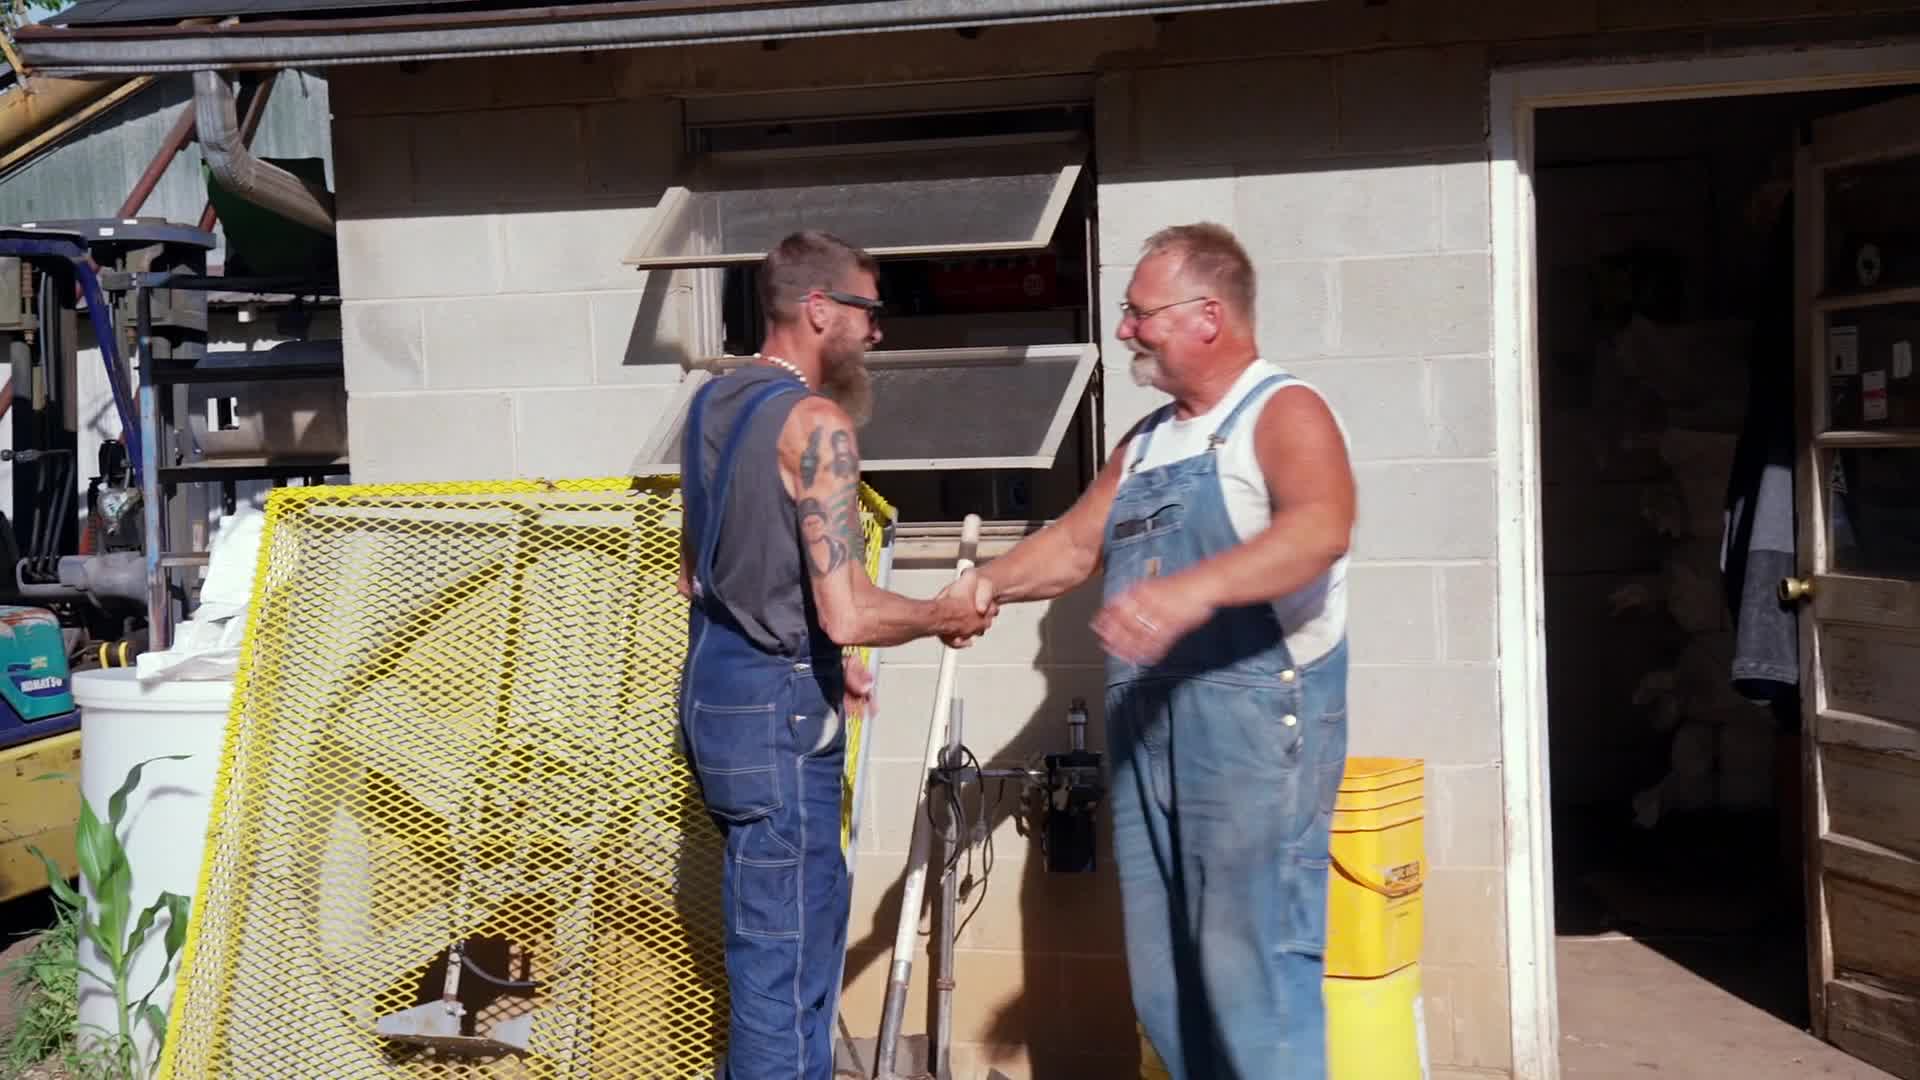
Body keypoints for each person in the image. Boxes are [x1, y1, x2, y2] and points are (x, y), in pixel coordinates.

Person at [970, 223, 1356, 1079]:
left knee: (1252, 981)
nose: (1125, 330)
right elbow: (1074, 545)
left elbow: (1322, 528)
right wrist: (983, 585)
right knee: (1167, 988)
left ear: (1208, 316)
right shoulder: (1146, 443)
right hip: (1149, 739)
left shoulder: (1282, 410)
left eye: (1140, 313)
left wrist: (1192, 591)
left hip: (1252, 738)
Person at [676, 230, 995, 1080]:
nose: (877, 332)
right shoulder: (817, 425)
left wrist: (818, 649)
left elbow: (695, 574)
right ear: (819, 309)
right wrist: (939, 613)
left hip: (717, 691)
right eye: (869, 311)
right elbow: (847, 608)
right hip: (776, 715)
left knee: (789, 939)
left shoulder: (713, 403)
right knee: (784, 975)